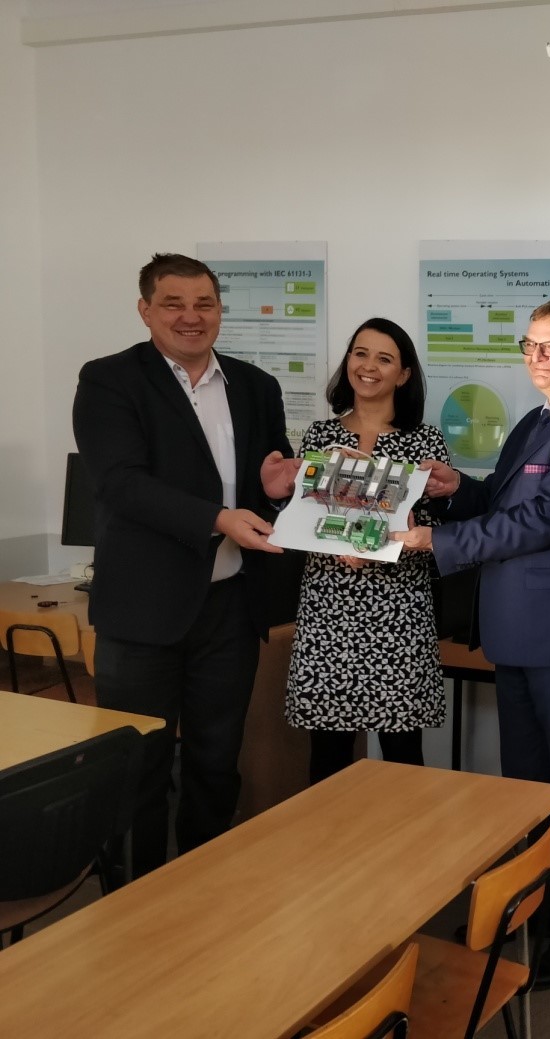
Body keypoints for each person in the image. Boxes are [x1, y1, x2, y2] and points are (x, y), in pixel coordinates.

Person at [395, 296, 550, 990]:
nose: (538, 358)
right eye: (530, 345)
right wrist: (458, 490)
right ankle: (533, 908)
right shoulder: (536, 420)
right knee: (526, 789)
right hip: (517, 631)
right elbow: (508, 504)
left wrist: (438, 539)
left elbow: (546, 518)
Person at [72, 252, 299, 877]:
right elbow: (120, 483)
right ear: (145, 310)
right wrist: (218, 518)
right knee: (137, 766)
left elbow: (267, 482)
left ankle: (203, 889)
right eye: (173, 303)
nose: (190, 317)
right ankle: (130, 901)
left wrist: (276, 489)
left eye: (204, 304)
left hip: (230, 607)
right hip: (142, 612)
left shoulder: (256, 386)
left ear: (220, 310)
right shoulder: (110, 380)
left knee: (216, 761)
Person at [285, 318, 449, 783]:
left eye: (384, 358)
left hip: (397, 613)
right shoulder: (319, 436)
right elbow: (305, 516)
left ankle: (406, 835)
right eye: (360, 353)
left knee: (402, 755)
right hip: (329, 609)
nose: (368, 366)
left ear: (404, 374)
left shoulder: (425, 442)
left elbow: (437, 529)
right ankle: (329, 834)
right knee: (328, 757)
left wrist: (390, 540)